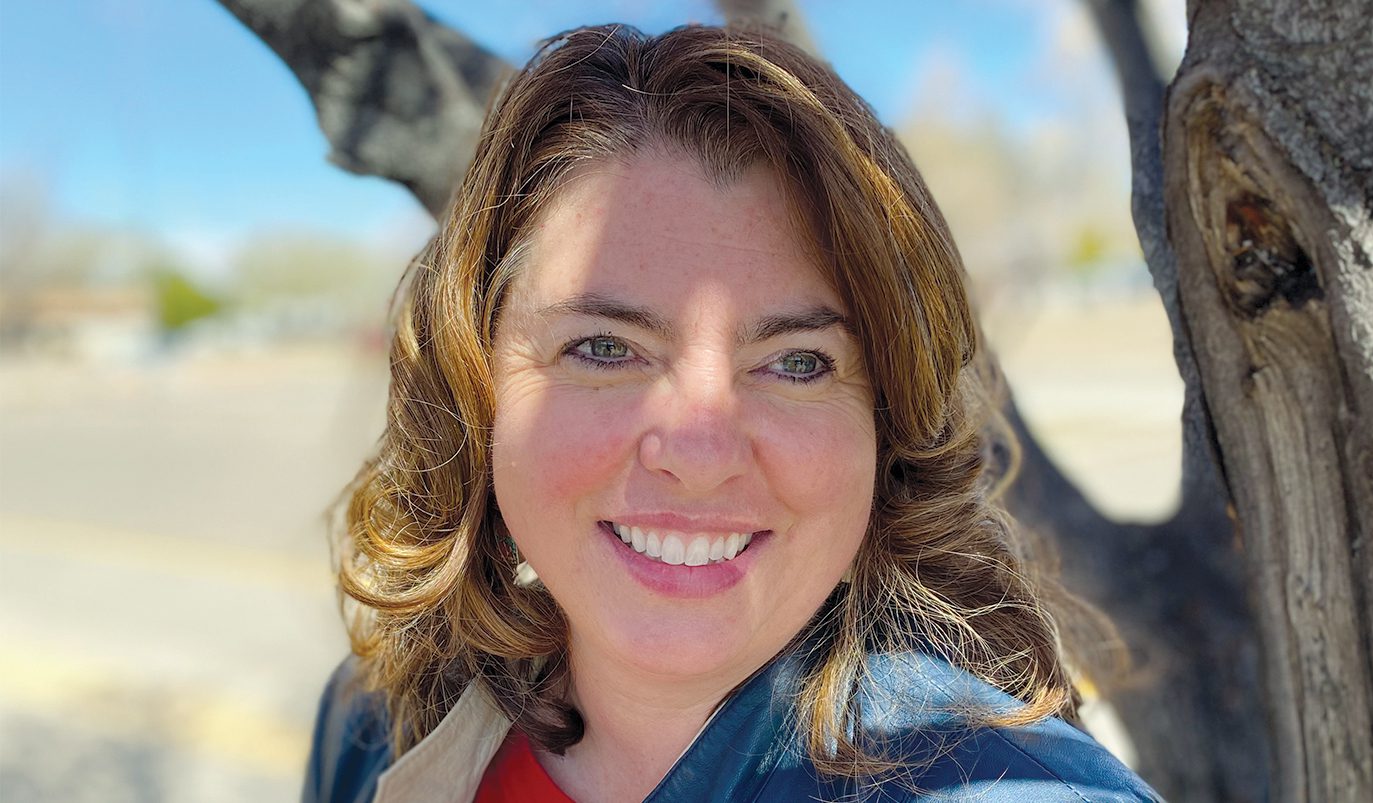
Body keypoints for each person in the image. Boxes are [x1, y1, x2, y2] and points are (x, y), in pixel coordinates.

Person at [303, 22, 1162, 803]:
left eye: (796, 363)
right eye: (605, 348)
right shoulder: (373, 724)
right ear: (474, 382)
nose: (700, 451)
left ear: (886, 425)